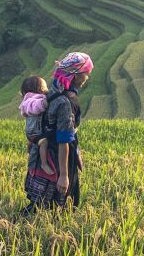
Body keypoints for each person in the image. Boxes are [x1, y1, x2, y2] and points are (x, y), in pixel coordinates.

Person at [41, 52, 94, 208]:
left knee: (47, 200)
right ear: (75, 75)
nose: (87, 78)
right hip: (60, 155)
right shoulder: (65, 102)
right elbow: (63, 139)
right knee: (64, 202)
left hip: (52, 150)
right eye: (86, 74)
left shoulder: (55, 91)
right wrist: (64, 175)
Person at [20, 75, 57, 211]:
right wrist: (45, 101)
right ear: (38, 89)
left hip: (33, 134)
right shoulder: (32, 100)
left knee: (40, 144)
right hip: (35, 133)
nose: (46, 90)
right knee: (44, 142)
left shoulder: (30, 98)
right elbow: (37, 107)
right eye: (44, 87)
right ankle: (44, 162)